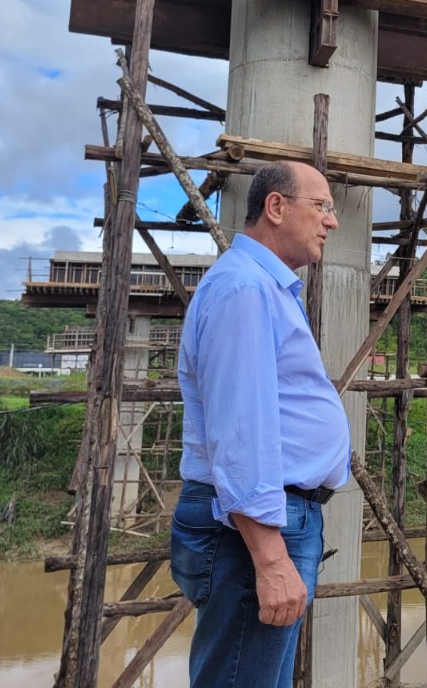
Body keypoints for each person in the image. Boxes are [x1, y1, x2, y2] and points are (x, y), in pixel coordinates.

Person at [171, 161, 352, 688]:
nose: (332, 222)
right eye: (321, 206)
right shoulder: (245, 289)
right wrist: (270, 558)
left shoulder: (261, 287)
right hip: (253, 530)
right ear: (276, 208)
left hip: (270, 519)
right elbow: (239, 430)